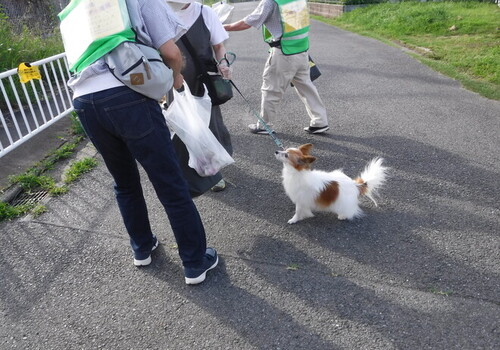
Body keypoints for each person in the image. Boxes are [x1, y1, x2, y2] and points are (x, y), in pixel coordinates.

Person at [63, 0, 218, 285]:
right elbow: (171, 52)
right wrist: (175, 75)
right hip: (128, 94)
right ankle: (195, 262)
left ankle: (142, 248)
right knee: (168, 181)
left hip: (84, 100)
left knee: (124, 181)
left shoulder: (77, 7)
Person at [224, 0, 329, 134]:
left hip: (283, 53)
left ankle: (265, 125)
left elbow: (247, 22)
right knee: (306, 87)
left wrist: (222, 27)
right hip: (302, 50)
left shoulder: (270, 2)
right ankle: (320, 121)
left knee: (271, 90)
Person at [167, 0, 233, 193]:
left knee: (211, 126)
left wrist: (223, 63)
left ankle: (213, 175)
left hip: (202, 81)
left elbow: (219, 46)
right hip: (172, 83)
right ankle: (191, 175)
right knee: (182, 128)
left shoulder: (205, 12)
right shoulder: (157, 12)